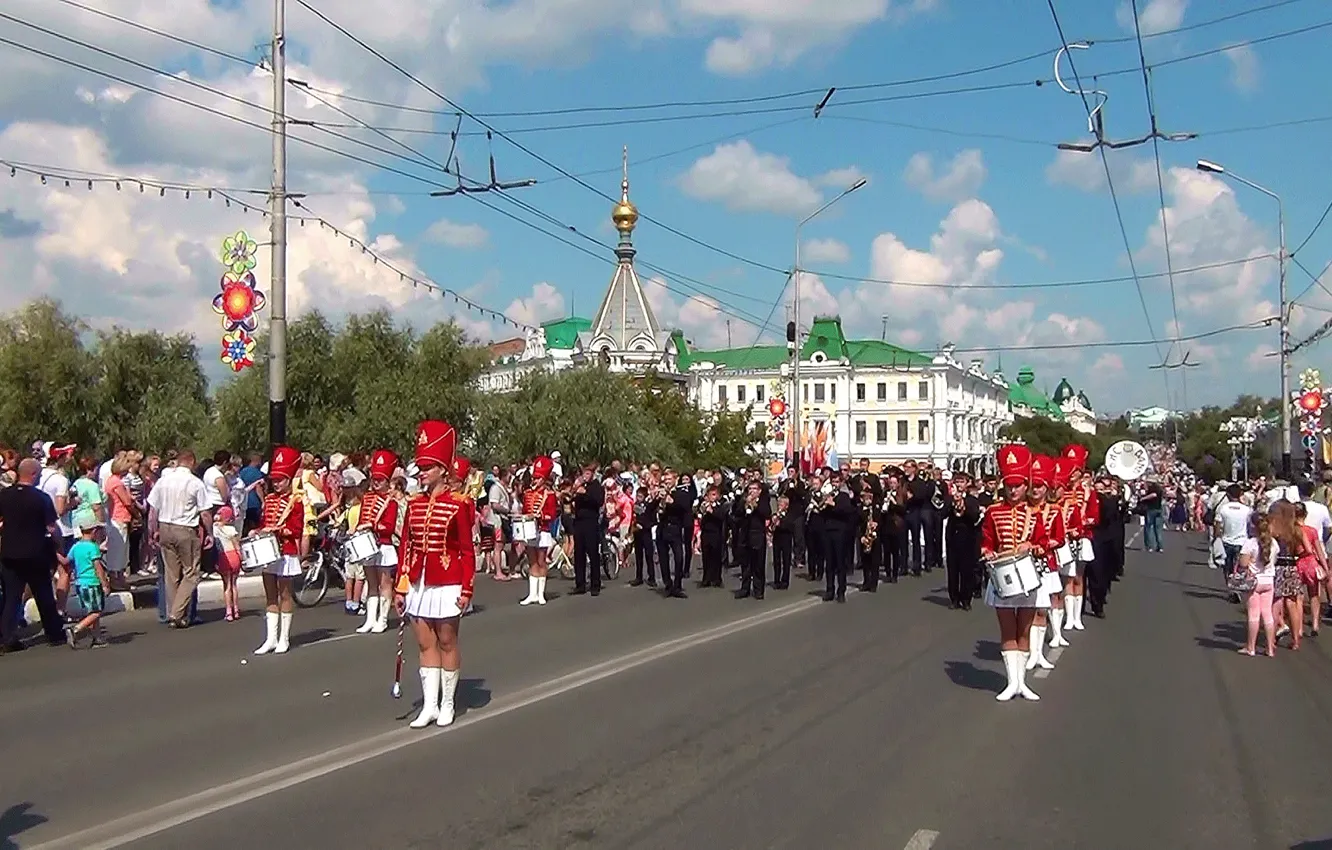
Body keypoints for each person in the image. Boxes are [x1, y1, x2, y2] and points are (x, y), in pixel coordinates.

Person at [394, 420, 476, 728]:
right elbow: (406, 547)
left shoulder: (460, 504)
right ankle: (429, 705)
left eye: (428, 466)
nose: (421, 472)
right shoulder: (414, 505)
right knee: (424, 644)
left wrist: (467, 588)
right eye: (420, 466)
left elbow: (467, 550)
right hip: (419, 582)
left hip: (448, 581)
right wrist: (402, 587)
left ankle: (448, 703)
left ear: (443, 469)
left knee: (447, 641)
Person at [980, 444, 1045, 702]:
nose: (1013, 490)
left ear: (1025, 485)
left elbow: (1043, 542)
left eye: (1018, 485)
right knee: (1007, 630)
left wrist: (1034, 546)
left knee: (1024, 631)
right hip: (1003, 578)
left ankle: (1023, 684)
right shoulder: (994, 511)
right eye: (1010, 485)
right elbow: (987, 539)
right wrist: (988, 551)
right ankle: (1012, 683)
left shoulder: (1035, 513)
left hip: (1028, 578)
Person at [0, 458, 65, 650]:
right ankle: (54, 633)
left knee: (12, 597)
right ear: (34, 475)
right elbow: (52, 528)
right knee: (43, 594)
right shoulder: (40, 498)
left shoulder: (4, 496)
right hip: (36, 552)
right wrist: (58, 548)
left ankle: (7, 638)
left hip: (9, 553)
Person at [147, 449, 212, 630]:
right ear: (191, 462)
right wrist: (210, 534)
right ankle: (177, 612)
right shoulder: (195, 483)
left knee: (172, 574)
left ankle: (176, 614)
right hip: (185, 528)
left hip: (165, 527)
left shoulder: (163, 480)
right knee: (191, 573)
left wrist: (152, 532)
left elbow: (153, 511)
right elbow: (205, 512)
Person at [251, 446, 305, 655]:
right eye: (274, 480)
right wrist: (258, 530)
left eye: (280, 480)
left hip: (286, 551)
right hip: (269, 553)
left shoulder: (296, 501)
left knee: (285, 595)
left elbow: (297, 529)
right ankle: (270, 639)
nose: (276, 483)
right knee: (270, 596)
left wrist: (280, 529)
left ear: (289, 479)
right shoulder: (271, 500)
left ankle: (284, 638)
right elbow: (265, 522)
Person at [356, 450, 404, 634]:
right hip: (367, 546)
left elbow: (389, 527)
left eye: (380, 479)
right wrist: (359, 527)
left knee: (385, 583)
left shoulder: (390, 502)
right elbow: (362, 517)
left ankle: (382, 619)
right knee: (371, 583)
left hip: (383, 545)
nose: (376, 482)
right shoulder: (367, 498)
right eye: (374, 478)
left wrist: (372, 526)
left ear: (387, 481)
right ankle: (370, 619)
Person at [1025, 455, 1064, 672]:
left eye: (1040, 486)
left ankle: (1039, 653)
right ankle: (1030, 652)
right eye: (1033, 486)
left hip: (1046, 562)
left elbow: (1060, 538)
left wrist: (1047, 545)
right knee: (1029, 609)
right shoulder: (1023, 509)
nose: (1036, 491)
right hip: (1026, 564)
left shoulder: (1055, 510)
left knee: (1042, 608)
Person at [1060, 444, 1099, 629]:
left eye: (1076, 470)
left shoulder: (1088, 492)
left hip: (1082, 537)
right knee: (1068, 576)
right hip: (1066, 538)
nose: (1073, 474)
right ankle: (1068, 618)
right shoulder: (1061, 492)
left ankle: (1077, 617)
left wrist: (1083, 524)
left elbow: (1094, 515)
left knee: (1079, 577)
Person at [518, 455, 558, 606]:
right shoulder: (528, 493)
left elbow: (552, 514)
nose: (535, 481)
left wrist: (541, 515)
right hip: (530, 530)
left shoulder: (550, 495)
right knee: (532, 561)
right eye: (534, 478)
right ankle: (532, 593)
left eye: (538, 478)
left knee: (541, 561)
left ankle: (541, 593)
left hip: (543, 530)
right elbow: (524, 510)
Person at [64, 519, 110, 648]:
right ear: (94, 531)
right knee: (97, 611)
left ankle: (97, 637)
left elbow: (66, 560)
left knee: (92, 611)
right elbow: (98, 567)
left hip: (80, 583)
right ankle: (76, 630)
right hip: (92, 582)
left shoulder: (76, 546)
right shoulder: (93, 547)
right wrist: (105, 583)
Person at [945, 471, 981, 610]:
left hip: (967, 537)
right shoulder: (949, 499)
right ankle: (954, 598)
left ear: (967, 484)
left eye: (962, 481)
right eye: (957, 481)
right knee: (953, 570)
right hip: (953, 537)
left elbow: (974, 517)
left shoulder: (972, 500)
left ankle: (966, 599)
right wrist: (952, 502)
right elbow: (942, 514)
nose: (959, 484)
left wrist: (963, 505)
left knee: (967, 570)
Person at [656, 469, 693, 599]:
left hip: (675, 528)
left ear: (675, 480)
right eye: (665, 480)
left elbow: (685, 507)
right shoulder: (660, 493)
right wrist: (658, 499)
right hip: (662, 528)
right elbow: (652, 509)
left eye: (669, 480)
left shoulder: (681, 493)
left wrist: (671, 500)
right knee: (663, 559)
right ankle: (668, 585)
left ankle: (677, 585)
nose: (667, 482)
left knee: (679, 557)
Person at [570, 463, 606, 596]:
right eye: (583, 473)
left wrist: (585, 493)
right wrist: (573, 490)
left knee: (593, 553)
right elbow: (571, 498)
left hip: (591, 522)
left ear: (592, 474)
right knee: (579, 553)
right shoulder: (579, 486)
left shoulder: (597, 487)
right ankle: (580, 584)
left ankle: (595, 584)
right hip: (578, 521)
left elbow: (599, 501)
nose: (584, 476)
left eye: (588, 473)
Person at [734, 480, 771, 600]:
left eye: (754, 489)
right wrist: (744, 504)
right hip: (745, 535)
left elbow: (766, 513)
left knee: (758, 564)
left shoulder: (763, 502)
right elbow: (737, 514)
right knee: (745, 564)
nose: (751, 491)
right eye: (750, 489)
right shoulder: (744, 500)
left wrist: (755, 505)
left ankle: (758, 590)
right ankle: (744, 589)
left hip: (757, 535)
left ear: (759, 491)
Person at [213, 506, 243, 621]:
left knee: (227, 585)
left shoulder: (215, 530)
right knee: (234, 585)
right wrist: (241, 557)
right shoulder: (232, 530)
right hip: (234, 556)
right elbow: (236, 545)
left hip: (223, 557)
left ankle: (228, 612)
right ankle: (236, 609)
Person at [770, 493, 796, 590]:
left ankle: (785, 581)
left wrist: (780, 523)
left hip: (786, 539)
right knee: (776, 560)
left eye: (781, 504)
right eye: (778, 504)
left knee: (786, 560)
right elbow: (770, 527)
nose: (779, 506)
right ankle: (776, 580)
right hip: (777, 538)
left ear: (786, 506)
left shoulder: (790, 515)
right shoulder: (775, 514)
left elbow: (790, 526)